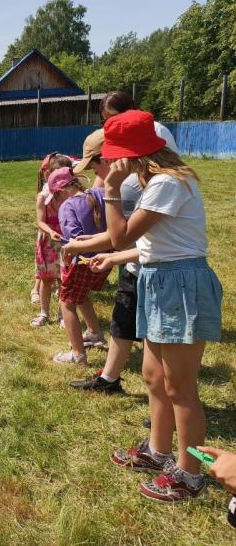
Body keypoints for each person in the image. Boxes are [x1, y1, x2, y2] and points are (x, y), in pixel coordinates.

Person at [102, 109, 222, 503]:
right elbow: (145, 246)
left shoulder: (168, 183)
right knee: (154, 377)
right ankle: (158, 450)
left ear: (133, 155)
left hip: (180, 284)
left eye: (116, 156)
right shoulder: (157, 182)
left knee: (180, 386)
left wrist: (111, 189)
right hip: (159, 280)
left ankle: (189, 474)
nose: (112, 163)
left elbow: (120, 237)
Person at [66, 112, 179, 394]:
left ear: (112, 159)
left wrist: (112, 187)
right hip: (147, 269)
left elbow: (121, 237)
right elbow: (132, 235)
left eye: (97, 166)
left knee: (169, 376)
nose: (97, 175)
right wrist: (99, 247)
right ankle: (110, 379)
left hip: (165, 277)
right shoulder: (149, 180)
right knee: (136, 345)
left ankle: (155, 410)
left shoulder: (141, 185)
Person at [45, 167, 109, 365]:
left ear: (61, 191)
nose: (56, 201)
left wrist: (67, 251)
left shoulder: (67, 206)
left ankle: (78, 354)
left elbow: (74, 240)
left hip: (83, 261)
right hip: (105, 259)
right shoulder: (100, 193)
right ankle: (94, 334)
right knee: (81, 295)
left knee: (66, 303)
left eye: (56, 196)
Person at [30, 152, 73, 327]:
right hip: (47, 242)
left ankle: (63, 315)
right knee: (46, 279)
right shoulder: (42, 197)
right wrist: (50, 232)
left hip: (65, 242)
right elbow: (40, 222)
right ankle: (44, 313)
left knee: (63, 280)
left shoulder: (70, 196)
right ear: (49, 174)